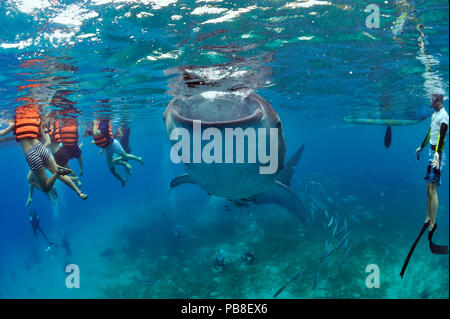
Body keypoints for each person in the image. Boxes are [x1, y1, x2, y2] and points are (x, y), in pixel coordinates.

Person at [0, 99, 88, 200]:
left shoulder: (15, 121)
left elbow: (2, 133)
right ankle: (79, 192)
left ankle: (57, 172)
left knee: (45, 188)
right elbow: (47, 139)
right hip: (41, 148)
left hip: (31, 154)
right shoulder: (37, 118)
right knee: (61, 175)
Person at [401, 94, 449, 278]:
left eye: (432, 99)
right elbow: (431, 132)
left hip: (438, 155)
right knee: (427, 188)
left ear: (439, 100)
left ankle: (433, 223)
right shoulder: (434, 115)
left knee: (433, 188)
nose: (430, 101)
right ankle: (428, 217)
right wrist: (422, 147)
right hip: (431, 152)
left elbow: (442, 135)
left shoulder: (444, 115)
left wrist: (437, 154)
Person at [87, 119, 143, 187]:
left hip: (114, 145)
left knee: (125, 156)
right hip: (108, 149)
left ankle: (139, 159)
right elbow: (87, 134)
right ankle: (122, 180)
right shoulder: (95, 126)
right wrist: (86, 127)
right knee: (111, 169)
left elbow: (96, 133)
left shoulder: (104, 123)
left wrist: (94, 123)